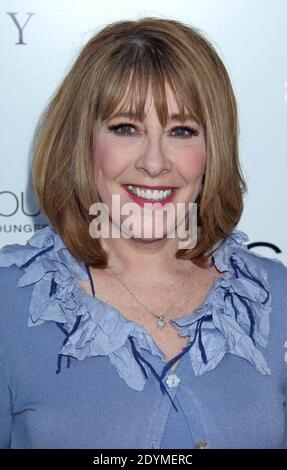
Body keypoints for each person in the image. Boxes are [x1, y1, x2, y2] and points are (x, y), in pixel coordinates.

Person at [0, 16, 286, 450]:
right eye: (126, 128)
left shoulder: (275, 297)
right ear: (83, 142)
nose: (154, 163)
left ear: (213, 150)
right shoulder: (10, 302)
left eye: (182, 131)